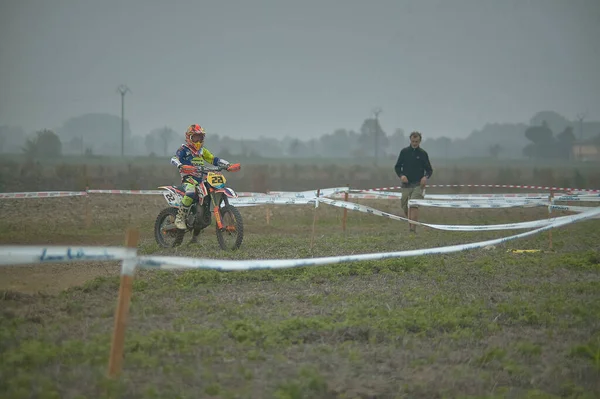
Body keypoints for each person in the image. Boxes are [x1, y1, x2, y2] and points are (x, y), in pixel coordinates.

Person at [170, 124, 232, 229]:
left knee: (211, 189)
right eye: (195, 137)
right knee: (191, 192)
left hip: (200, 180)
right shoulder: (184, 149)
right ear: (189, 137)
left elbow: (214, 159)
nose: (198, 141)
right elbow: (174, 159)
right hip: (188, 180)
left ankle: (202, 215)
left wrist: (227, 165)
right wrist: (180, 165)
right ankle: (180, 217)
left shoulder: (202, 151)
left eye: (200, 138)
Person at [394, 131, 433, 233]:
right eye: (413, 141)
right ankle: (411, 224)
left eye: (416, 141)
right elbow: (397, 167)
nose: (414, 143)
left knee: (413, 205)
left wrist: (425, 177)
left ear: (420, 141)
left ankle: (412, 229)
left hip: (418, 185)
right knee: (405, 205)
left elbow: (429, 170)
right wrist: (401, 175)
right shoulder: (404, 152)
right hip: (406, 184)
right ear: (410, 140)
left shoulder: (423, 154)